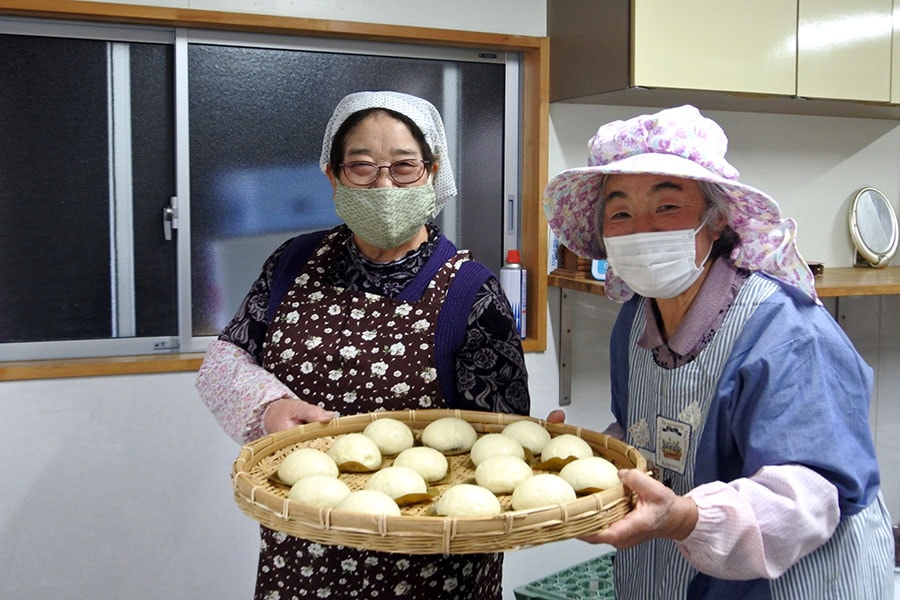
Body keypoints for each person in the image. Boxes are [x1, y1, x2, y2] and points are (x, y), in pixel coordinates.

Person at [543, 105, 894, 599]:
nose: (642, 228)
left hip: (791, 581)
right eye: (620, 212)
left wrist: (686, 516)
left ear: (717, 218)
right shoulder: (635, 320)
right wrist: (579, 456)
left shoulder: (787, 335)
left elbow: (810, 497)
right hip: (670, 573)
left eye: (667, 207)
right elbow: (643, 432)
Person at [197, 90, 530, 599]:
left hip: (428, 561)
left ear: (432, 173)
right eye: (361, 167)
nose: (383, 184)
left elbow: (500, 444)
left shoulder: (470, 293)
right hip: (305, 551)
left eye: (403, 167)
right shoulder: (294, 261)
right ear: (332, 175)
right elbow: (228, 356)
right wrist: (269, 408)